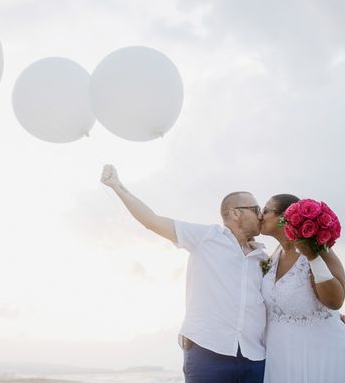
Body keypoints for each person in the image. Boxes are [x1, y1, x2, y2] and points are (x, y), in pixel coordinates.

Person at [100, 164, 267, 383]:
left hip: (253, 356)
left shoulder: (263, 257)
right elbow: (152, 221)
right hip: (208, 352)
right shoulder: (206, 237)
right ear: (235, 213)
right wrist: (117, 186)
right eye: (255, 209)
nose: (261, 214)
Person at [259, 194, 345, 383]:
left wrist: (312, 257)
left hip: (323, 359)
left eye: (265, 211)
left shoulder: (319, 249)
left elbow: (335, 301)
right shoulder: (272, 257)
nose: (260, 215)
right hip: (282, 363)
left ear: (284, 217)